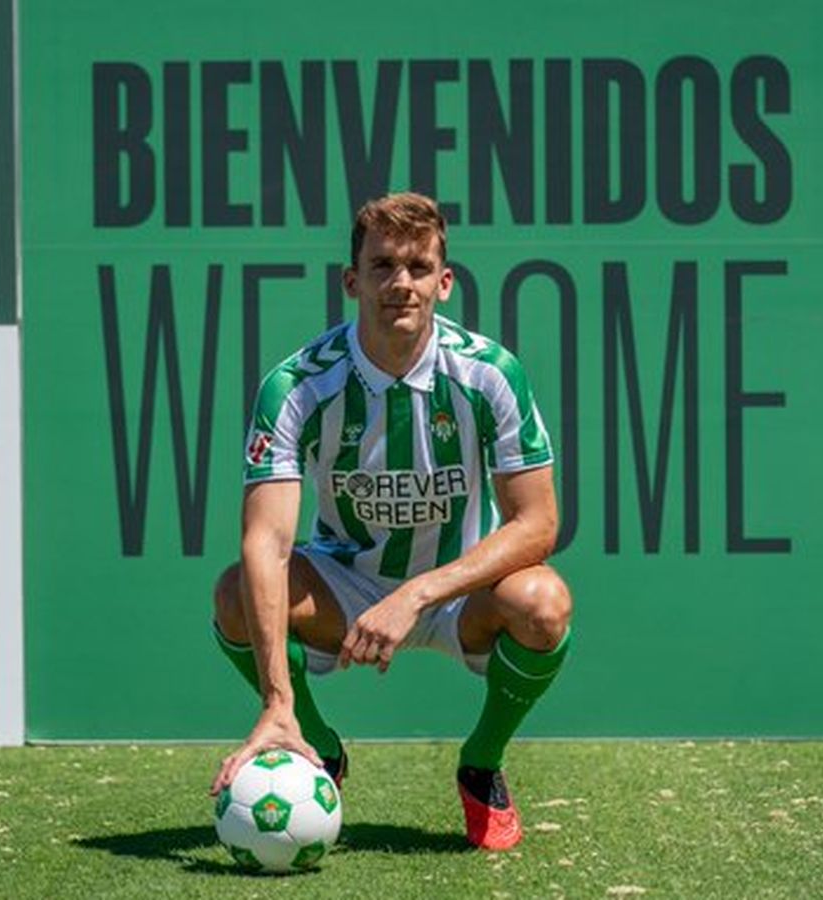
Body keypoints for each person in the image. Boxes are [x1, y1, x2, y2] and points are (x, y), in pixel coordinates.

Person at [208, 192, 573, 851]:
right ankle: (315, 744)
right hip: (345, 585)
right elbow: (267, 539)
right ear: (352, 281)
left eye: (417, 266)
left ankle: (482, 763)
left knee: (544, 604)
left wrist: (419, 593)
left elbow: (538, 524)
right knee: (237, 592)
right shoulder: (297, 385)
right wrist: (274, 700)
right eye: (381, 266)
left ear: (444, 280)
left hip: (455, 593)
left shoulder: (489, 374)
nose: (400, 283)